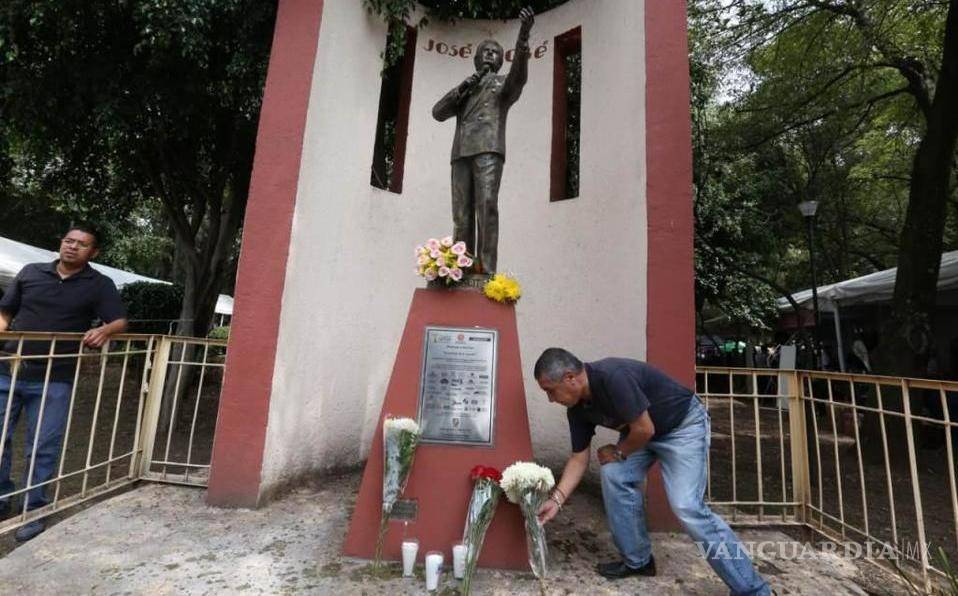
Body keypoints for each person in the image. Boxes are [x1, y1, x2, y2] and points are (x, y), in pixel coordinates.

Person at [533, 348, 770, 595]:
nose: (550, 399)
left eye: (550, 390)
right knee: (615, 475)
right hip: (641, 433)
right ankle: (638, 561)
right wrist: (555, 500)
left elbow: (645, 429)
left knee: (687, 506)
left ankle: (753, 589)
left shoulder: (613, 376)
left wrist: (618, 451)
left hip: (682, 427)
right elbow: (578, 459)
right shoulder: (578, 409)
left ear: (570, 377)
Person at [0, 225, 128, 541]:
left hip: (54, 379)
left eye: (81, 244)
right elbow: (6, 311)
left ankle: (34, 509)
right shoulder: (31, 272)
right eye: (68, 241)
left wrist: (106, 330)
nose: (72, 247)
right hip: (7, 369)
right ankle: (2, 496)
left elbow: (121, 320)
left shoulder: (99, 284)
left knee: (42, 447)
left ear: (93, 253)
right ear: (61, 244)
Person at [432, 7, 534, 274]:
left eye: (495, 52)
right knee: (461, 216)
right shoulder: (465, 89)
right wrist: (465, 86)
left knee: (486, 206)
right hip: (461, 154)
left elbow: (519, 76)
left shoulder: (503, 85)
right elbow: (438, 112)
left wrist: (523, 37)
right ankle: (461, 269)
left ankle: (486, 271)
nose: (490, 54)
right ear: (476, 59)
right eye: (485, 51)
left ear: (501, 60)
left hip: (488, 150)